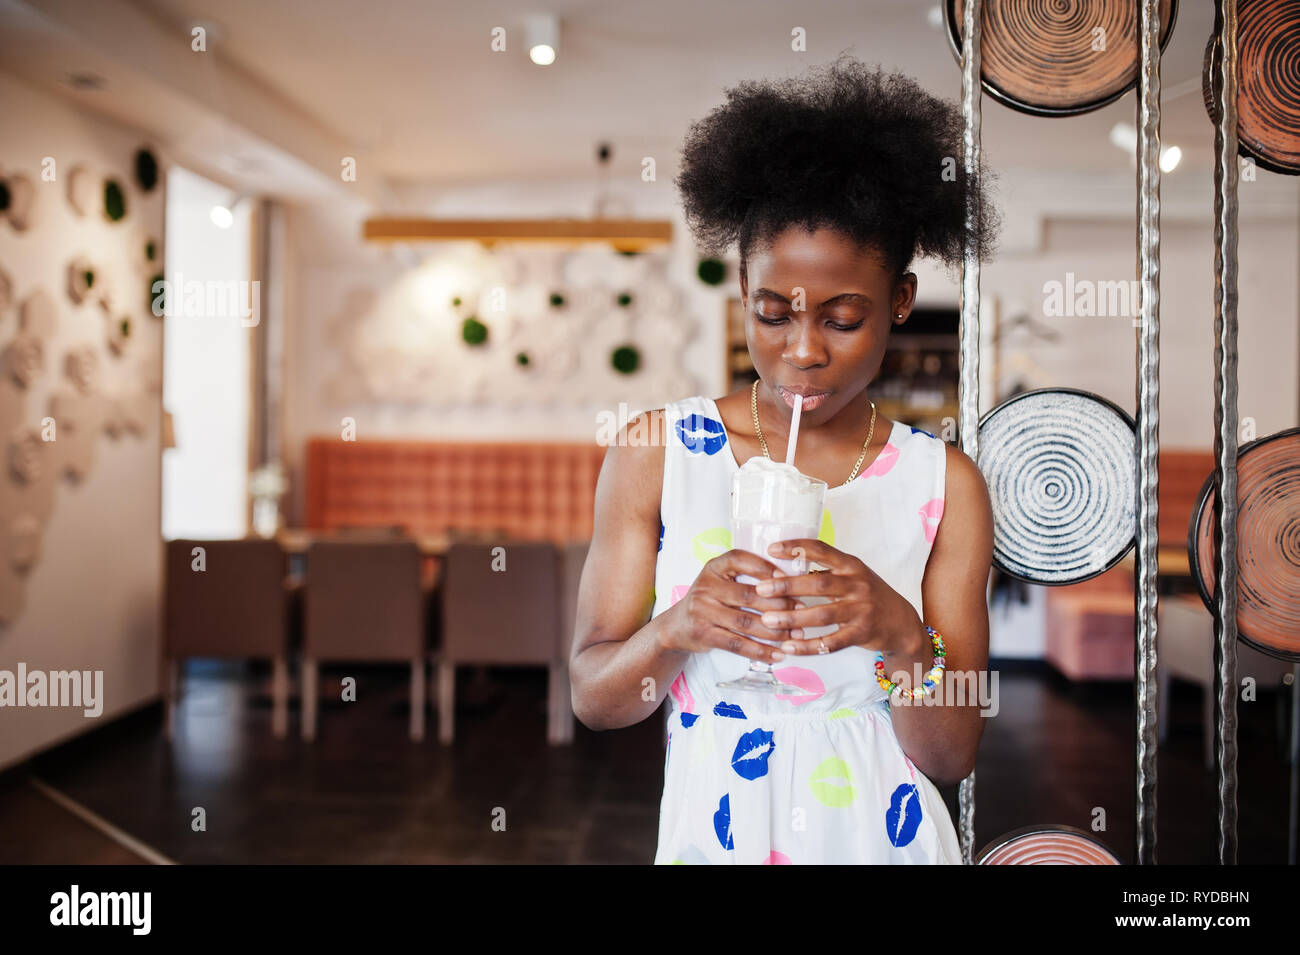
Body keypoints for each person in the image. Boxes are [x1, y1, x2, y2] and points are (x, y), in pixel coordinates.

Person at [569, 53, 1000, 864]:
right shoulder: (657, 451)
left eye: (842, 320)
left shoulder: (944, 483)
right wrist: (677, 628)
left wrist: (901, 634)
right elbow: (594, 697)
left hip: (882, 835)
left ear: (900, 302)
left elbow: (950, 755)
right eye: (773, 314)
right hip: (714, 832)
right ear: (740, 288)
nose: (802, 352)